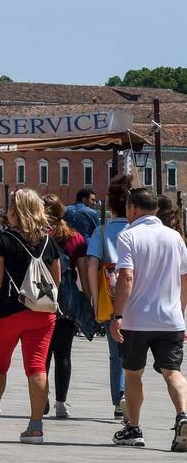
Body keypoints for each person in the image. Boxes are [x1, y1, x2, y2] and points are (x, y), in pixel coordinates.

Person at [0, 188, 61, 444]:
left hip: (7, 313)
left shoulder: (2, 240)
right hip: (42, 314)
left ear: (14, 210)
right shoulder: (49, 241)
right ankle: (35, 427)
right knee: (36, 367)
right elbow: (57, 279)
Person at [109, 187, 187, 450]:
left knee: (133, 375)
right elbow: (185, 278)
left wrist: (117, 315)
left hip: (136, 319)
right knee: (173, 372)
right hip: (170, 318)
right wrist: (181, 312)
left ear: (132, 208)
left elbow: (126, 277)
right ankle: (183, 415)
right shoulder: (175, 237)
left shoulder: (128, 236)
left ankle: (133, 429)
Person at [89, 174, 134, 419]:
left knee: (115, 353)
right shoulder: (136, 230)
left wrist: (95, 299)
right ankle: (132, 395)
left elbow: (90, 265)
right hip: (138, 297)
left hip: (111, 297)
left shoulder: (101, 230)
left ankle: (119, 399)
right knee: (135, 351)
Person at [43, 193, 85, 419]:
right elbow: (83, 270)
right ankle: (61, 403)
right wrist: (88, 297)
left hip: (42, 297)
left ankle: (41, 397)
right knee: (64, 353)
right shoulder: (75, 237)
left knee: (42, 353)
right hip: (67, 298)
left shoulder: (38, 236)